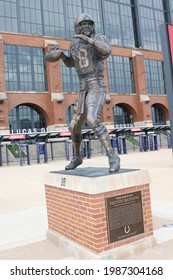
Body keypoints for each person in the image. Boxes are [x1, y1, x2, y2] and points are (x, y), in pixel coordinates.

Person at [45, 13, 120, 173]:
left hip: (96, 84)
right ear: (77, 27)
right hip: (83, 87)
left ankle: (113, 156)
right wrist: (62, 56)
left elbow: (106, 51)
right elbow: (73, 63)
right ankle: (77, 156)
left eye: (88, 24)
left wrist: (89, 40)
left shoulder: (99, 37)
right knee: (74, 126)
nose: (86, 27)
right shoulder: (75, 43)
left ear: (92, 26)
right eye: (82, 25)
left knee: (93, 120)